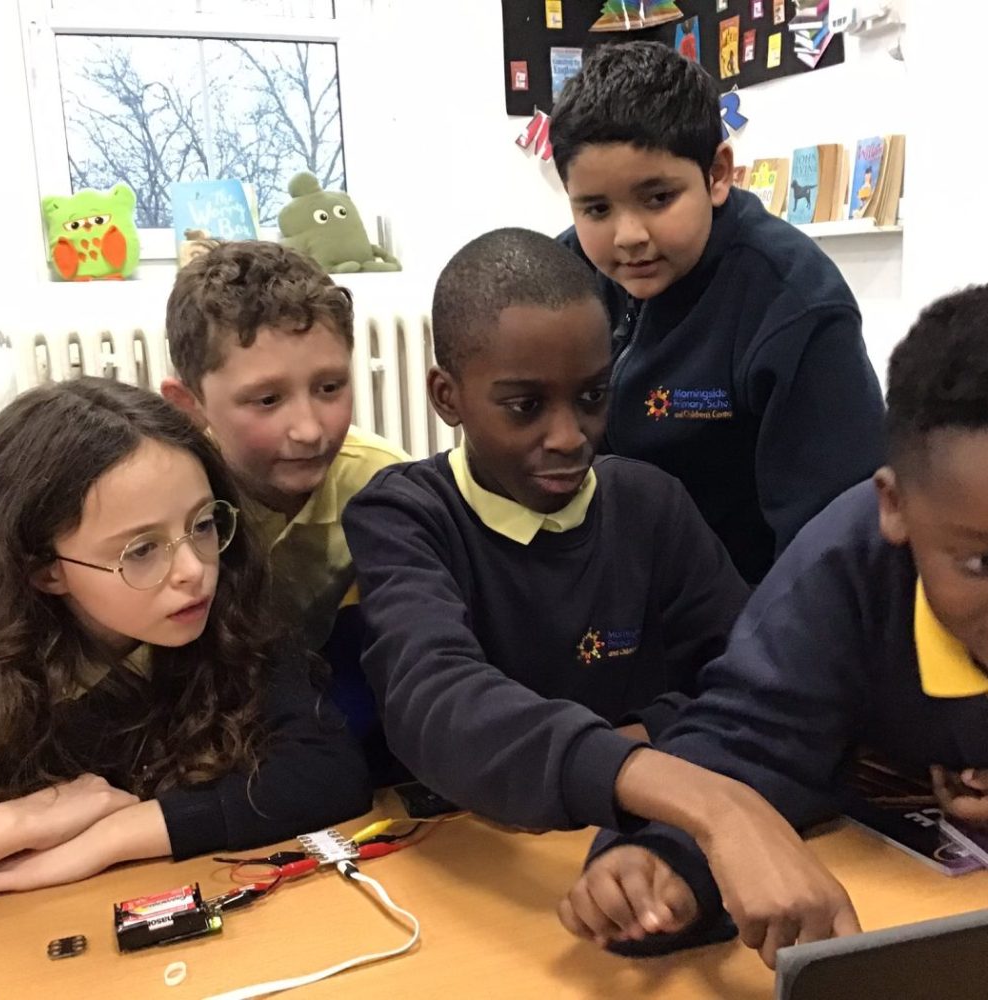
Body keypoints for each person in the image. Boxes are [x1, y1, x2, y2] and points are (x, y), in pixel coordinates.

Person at [344, 227, 859, 969]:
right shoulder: (402, 516)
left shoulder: (650, 503)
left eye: (591, 396)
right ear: (446, 396)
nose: (569, 435)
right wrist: (693, 792)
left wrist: (654, 760)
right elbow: (436, 700)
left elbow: (758, 692)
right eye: (524, 405)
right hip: (475, 885)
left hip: (637, 860)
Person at [562, 285, 988, 957]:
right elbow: (753, 738)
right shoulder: (845, 570)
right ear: (895, 506)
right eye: (980, 563)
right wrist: (667, 857)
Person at [0, 378, 371, 892]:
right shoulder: (5, 667)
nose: (194, 569)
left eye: (203, 524)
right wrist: (18, 823)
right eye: (142, 551)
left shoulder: (230, 619)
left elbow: (328, 771)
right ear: (45, 570)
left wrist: (114, 837)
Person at [549, 40, 885, 582]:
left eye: (658, 198)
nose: (628, 235)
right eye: (597, 208)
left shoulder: (796, 305)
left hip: (746, 608)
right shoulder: (560, 277)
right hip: (604, 590)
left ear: (718, 174)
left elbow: (832, 546)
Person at [161, 241, 408, 775]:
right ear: (189, 406)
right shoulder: (164, 506)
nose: (310, 430)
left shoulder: (387, 488)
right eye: (268, 400)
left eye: (330, 387)